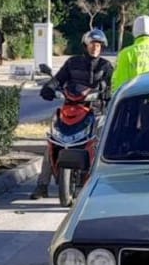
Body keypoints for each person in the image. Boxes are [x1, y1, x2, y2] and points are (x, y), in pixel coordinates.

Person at [30, 30, 114, 200]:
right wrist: (49, 87)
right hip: (70, 108)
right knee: (52, 141)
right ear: (85, 45)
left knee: (101, 142)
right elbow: (59, 79)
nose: (95, 48)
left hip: (94, 110)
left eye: (98, 45)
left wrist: (105, 93)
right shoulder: (72, 62)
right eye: (92, 44)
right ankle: (42, 185)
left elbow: (108, 85)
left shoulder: (106, 66)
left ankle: (99, 182)